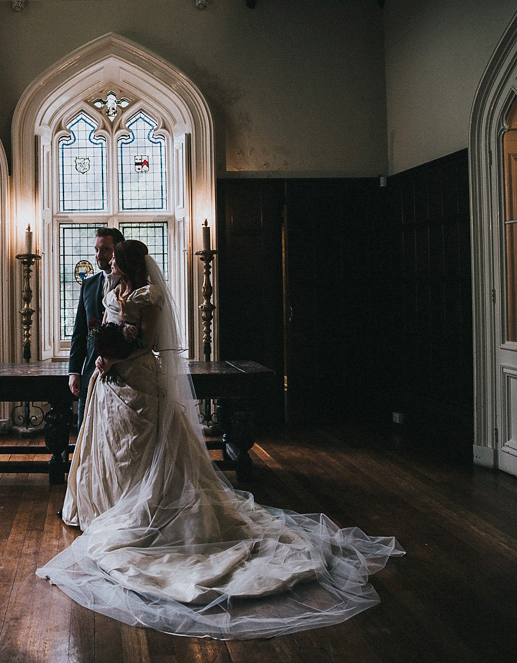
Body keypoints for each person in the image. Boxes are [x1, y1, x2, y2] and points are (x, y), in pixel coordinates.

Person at [38, 240, 404, 639]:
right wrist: (102, 358)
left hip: (138, 377)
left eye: (117, 258)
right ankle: (105, 506)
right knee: (110, 450)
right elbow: (97, 330)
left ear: (128, 264)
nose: (110, 262)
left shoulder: (150, 295)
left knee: (143, 453)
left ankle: (146, 512)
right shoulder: (113, 288)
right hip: (110, 384)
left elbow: (148, 342)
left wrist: (116, 355)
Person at [67, 227, 124, 426]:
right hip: (91, 368)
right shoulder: (89, 285)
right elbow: (79, 332)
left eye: (105, 250)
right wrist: (74, 371)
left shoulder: (133, 285)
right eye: (97, 250)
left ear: (117, 251)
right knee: (87, 426)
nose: (99, 255)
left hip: (123, 371)